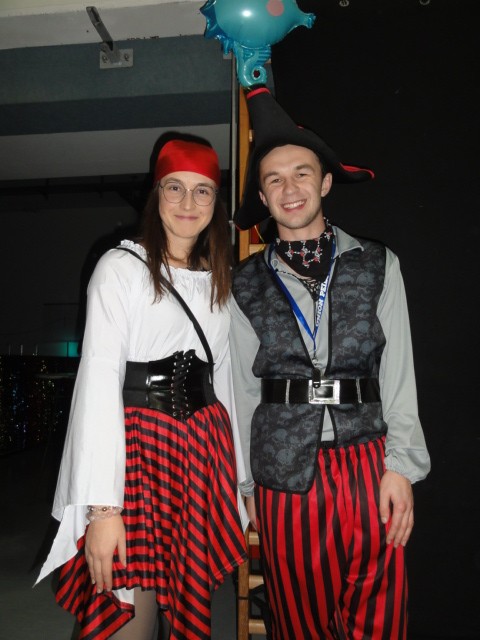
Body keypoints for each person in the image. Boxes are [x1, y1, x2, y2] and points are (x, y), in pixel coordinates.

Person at [229, 87, 431, 639]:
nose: (289, 188)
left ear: (324, 183)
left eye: (301, 173)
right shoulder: (242, 285)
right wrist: (246, 486)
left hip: (369, 465)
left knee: (382, 617)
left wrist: (401, 468)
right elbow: (240, 390)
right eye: (274, 179)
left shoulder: (379, 264)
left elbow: (399, 372)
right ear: (263, 198)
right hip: (283, 473)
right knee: (299, 621)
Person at [36, 137, 248, 640]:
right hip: (136, 455)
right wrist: (103, 509)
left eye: (202, 191)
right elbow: (98, 380)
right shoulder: (120, 268)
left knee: (185, 596)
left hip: (201, 452)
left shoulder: (220, 277)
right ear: (156, 194)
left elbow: (224, 382)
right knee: (128, 599)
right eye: (175, 187)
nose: (188, 202)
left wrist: (242, 482)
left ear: (215, 203)